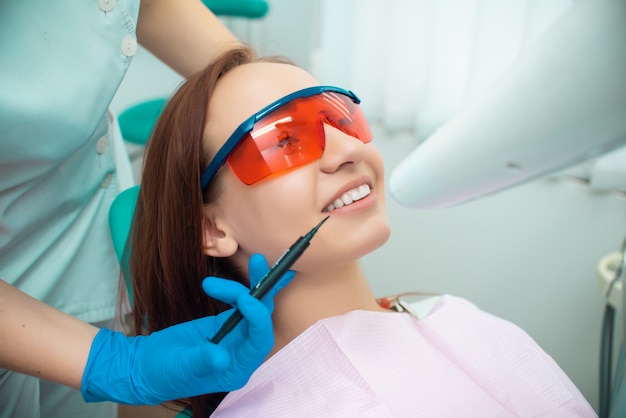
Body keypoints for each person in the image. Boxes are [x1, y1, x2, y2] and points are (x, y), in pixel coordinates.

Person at [128, 43, 598, 418]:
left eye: (339, 117)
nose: (346, 148)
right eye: (284, 141)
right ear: (211, 227)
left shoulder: (453, 315)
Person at [0, 1, 287, 417]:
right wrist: (114, 363)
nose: (346, 151)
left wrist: (251, 86)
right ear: (212, 229)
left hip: (75, 212)